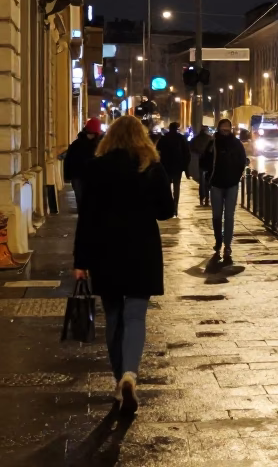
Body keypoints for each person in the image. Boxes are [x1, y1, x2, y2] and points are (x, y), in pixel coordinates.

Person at [72, 115, 175, 416]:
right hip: (141, 249)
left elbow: (86, 218)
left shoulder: (95, 168)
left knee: (113, 316)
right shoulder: (151, 166)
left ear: (109, 138)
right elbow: (166, 211)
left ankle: (119, 380)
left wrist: (81, 261)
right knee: (135, 317)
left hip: (106, 251)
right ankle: (130, 373)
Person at [205, 119, 247, 263]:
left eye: (227, 127)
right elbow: (204, 161)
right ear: (218, 128)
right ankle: (218, 241)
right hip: (216, 184)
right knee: (217, 215)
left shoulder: (236, 143)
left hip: (231, 185)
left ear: (230, 128)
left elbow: (243, 160)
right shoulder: (213, 143)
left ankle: (227, 245)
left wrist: (236, 175)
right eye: (222, 127)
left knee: (229, 216)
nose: (225, 130)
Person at [64, 118, 103, 211]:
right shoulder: (99, 145)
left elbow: (68, 160)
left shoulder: (77, 144)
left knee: (86, 200)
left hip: (84, 176)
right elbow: (68, 160)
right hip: (80, 176)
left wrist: (67, 176)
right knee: (82, 200)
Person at [156, 122, 190, 209]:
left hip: (166, 165)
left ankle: (169, 204)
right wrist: (185, 167)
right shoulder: (181, 138)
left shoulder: (164, 138)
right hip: (177, 166)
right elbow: (186, 153)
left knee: (167, 185)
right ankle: (175, 205)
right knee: (176, 185)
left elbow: (157, 151)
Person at [190, 128, 213, 206]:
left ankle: (202, 198)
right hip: (209, 164)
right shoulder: (210, 139)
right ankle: (207, 198)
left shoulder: (195, 139)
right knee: (207, 182)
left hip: (201, 163)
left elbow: (191, 148)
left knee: (201, 182)